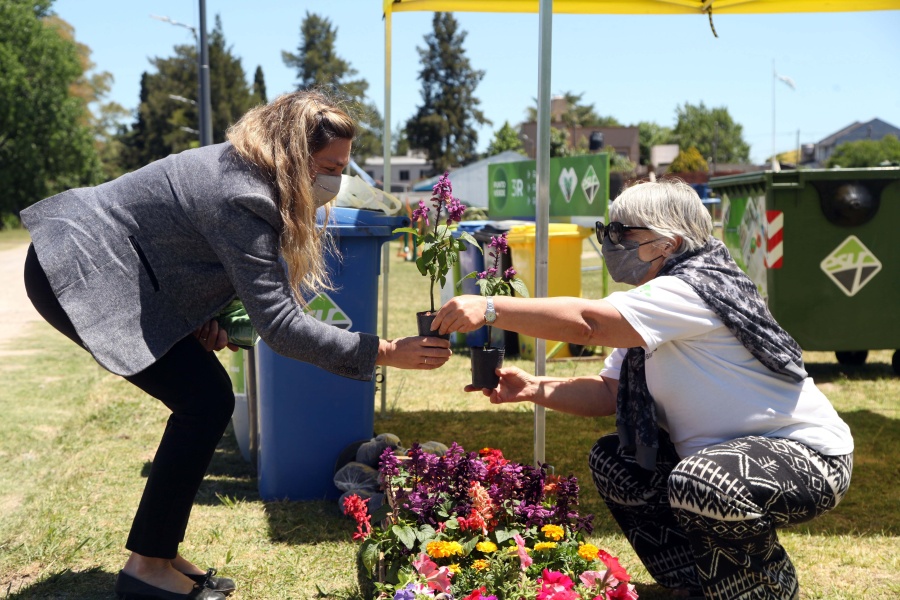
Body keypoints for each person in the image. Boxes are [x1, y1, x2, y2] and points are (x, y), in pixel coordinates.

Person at [21, 90, 451, 600]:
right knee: (203, 401)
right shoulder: (243, 195)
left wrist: (207, 315)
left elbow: (192, 254)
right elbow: (282, 326)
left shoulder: (249, 172)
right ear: (293, 154)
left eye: (343, 167)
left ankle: (157, 551)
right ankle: (146, 569)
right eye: (329, 167)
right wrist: (384, 350)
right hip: (76, 269)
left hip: (113, 267)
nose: (336, 181)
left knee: (204, 399)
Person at [432, 179, 853, 600]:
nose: (610, 242)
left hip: (807, 457)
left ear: (668, 243)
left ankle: (765, 589)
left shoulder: (692, 288)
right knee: (617, 460)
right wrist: (532, 388)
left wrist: (490, 308)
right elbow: (607, 391)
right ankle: (694, 583)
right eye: (607, 231)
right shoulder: (655, 299)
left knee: (704, 480)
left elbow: (589, 323)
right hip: (723, 462)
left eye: (623, 233)